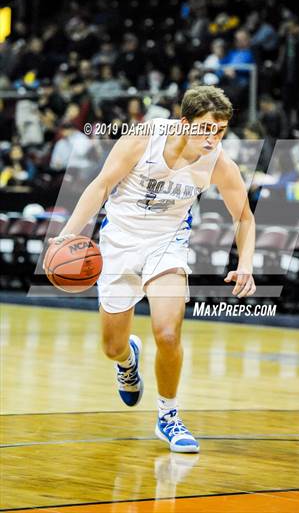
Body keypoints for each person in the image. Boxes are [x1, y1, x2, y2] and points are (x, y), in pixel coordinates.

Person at [47, 86, 256, 453]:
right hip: (119, 244)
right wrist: (66, 235)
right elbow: (101, 186)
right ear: (185, 122)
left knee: (168, 333)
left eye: (220, 130)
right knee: (111, 346)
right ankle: (127, 360)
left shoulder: (220, 163)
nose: (213, 137)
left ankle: (168, 415)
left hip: (167, 246)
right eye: (206, 128)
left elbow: (245, 218)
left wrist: (247, 265)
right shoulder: (143, 139)